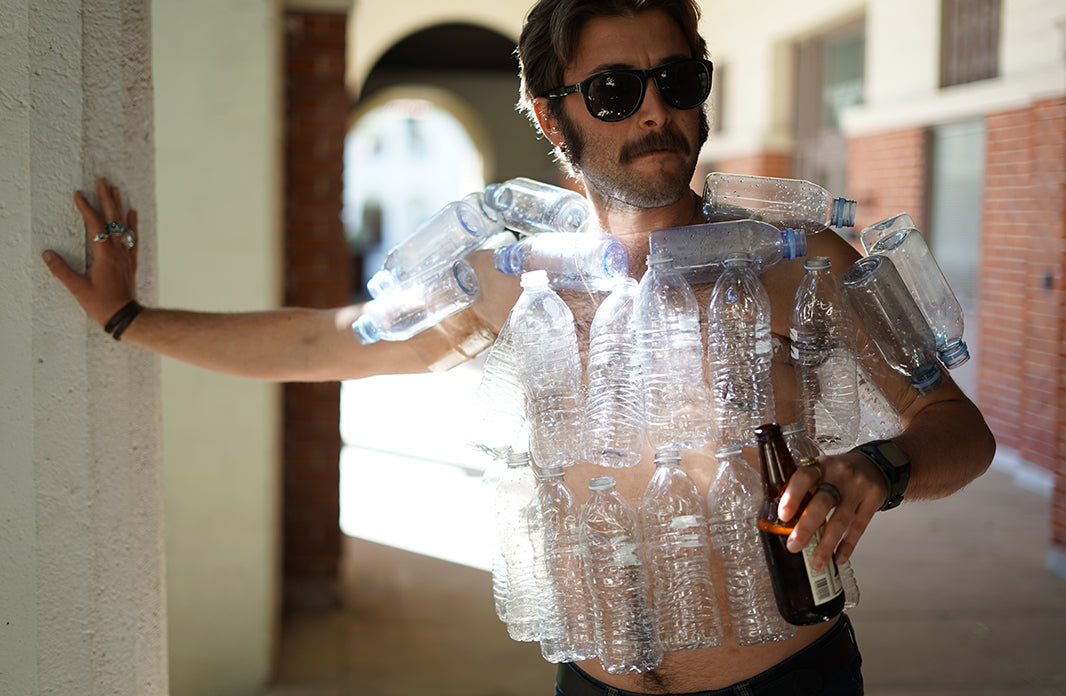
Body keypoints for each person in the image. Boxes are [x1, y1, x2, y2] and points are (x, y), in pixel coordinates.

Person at [43, 0, 996, 693]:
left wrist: (883, 468)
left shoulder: (795, 261)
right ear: (551, 116)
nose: (655, 112)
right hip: (589, 685)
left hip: (781, 682)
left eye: (678, 81)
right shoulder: (516, 278)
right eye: (615, 91)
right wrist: (131, 319)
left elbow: (958, 428)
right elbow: (327, 340)